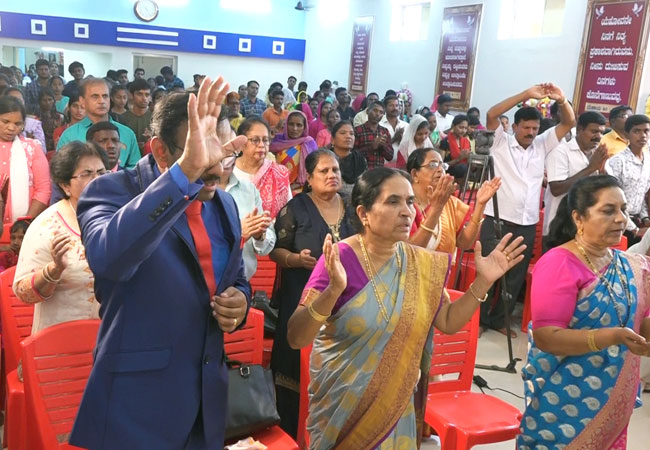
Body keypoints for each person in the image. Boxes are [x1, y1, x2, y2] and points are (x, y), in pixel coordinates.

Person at [286, 167, 526, 448]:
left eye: (410, 202)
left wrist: (483, 282)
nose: (407, 211)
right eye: (393, 202)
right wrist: (333, 291)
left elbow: (448, 322)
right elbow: (296, 337)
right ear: (364, 213)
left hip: (396, 412)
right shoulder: (341, 259)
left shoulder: (421, 263)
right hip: (342, 410)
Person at [70, 77, 250, 449]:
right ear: (163, 152)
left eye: (222, 155)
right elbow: (109, 258)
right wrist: (184, 176)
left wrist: (241, 302)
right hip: (137, 407)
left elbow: (234, 278)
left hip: (207, 402)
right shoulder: (110, 191)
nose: (216, 169)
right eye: (201, 153)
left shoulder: (224, 204)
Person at [520, 175, 650, 449]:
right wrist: (610, 337)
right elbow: (547, 337)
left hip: (613, 404)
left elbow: (642, 324)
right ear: (579, 218)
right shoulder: (558, 264)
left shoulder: (629, 266)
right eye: (608, 210)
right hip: (563, 404)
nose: (621, 219)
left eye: (624, 210)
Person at [270, 149, 356, 437]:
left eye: (336, 170)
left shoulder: (351, 207)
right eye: (324, 171)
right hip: (302, 296)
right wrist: (295, 259)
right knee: (297, 363)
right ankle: (292, 431)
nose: (332, 176)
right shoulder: (295, 208)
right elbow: (276, 250)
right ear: (309, 177)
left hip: (345, 302)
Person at [479, 83, 575, 336]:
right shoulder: (500, 142)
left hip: (527, 222)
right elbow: (491, 114)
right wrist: (524, 95)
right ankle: (478, 320)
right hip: (497, 218)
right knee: (488, 273)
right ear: (515, 126)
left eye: (535, 128)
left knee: (514, 277)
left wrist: (562, 100)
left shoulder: (542, 145)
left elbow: (569, 123)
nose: (531, 133)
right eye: (526, 128)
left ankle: (500, 320)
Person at [14, 141, 107, 334]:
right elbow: (23, 293)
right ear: (65, 185)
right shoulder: (46, 225)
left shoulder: (119, 216)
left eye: (101, 172)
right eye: (87, 174)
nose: (97, 179)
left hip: (109, 339)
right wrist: (53, 270)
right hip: (59, 344)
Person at [408, 147, 500, 256]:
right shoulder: (405, 205)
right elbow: (409, 253)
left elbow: (465, 243)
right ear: (414, 174)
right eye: (433, 165)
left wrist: (480, 205)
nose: (440, 169)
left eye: (442, 165)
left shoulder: (449, 202)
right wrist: (437, 208)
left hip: (443, 272)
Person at [542, 111, 608, 246]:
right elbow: (556, 189)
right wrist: (590, 168)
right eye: (594, 131)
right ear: (579, 129)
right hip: (559, 227)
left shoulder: (597, 153)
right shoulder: (560, 151)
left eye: (601, 132)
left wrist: (601, 170)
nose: (598, 136)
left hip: (586, 228)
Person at [57, 77, 140, 169]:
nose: (101, 101)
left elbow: (136, 169)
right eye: (95, 96)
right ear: (82, 101)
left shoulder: (127, 133)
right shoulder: (69, 135)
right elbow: (61, 171)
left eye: (105, 96)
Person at [217, 154, 275, 280]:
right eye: (225, 150)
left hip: (241, 282)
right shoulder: (195, 189)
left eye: (232, 153)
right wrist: (238, 233)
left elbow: (265, 246)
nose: (227, 157)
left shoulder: (248, 189)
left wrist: (260, 235)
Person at [0, 96, 51, 224]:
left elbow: (43, 189)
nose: (11, 128)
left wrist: (25, 223)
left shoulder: (32, 148)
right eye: (5, 122)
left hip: (23, 230)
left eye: (17, 124)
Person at [605, 114, 650, 245]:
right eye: (637, 131)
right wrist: (634, 229)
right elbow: (613, 199)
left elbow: (641, 193)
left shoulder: (648, 160)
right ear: (627, 134)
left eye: (646, 131)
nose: (643, 135)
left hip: (638, 222)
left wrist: (645, 217)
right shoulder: (617, 161)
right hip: (617, 223)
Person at [233, 116, 291, 218]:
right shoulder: (230, 172)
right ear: (242, 143)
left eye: (265, 140)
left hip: (272, 231)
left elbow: (288, 209)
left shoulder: (279, 173)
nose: (261, 145)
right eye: (255, 140)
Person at [270, 110, 318, 190]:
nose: (295, 128)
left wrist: (288, 189)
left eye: (299, 125)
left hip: (302, 190)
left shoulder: (309, 143)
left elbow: (313, 170)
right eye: (291, 124)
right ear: (286, 125)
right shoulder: (276, 141)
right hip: (275, 188)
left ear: (304, 127)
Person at [329, 120, 366, 196]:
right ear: (332, 140)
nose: (348, 136)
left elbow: (365, 188)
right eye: (343, 133)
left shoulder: (360, 160)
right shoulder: (325, 159)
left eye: (352, 134)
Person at [354, 101, 393, 170]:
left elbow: (390, 156)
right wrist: (372, 147)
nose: (378, 114)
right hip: (362, 172)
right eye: (375, 110)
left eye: (381, 112)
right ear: (368, 111)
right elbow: (353, 155)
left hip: (379, 173)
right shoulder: (357, 130)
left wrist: (383, 146)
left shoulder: (385, 131)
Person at [118, 78, 152, 154]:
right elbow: (118, 144)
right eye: (140, 94)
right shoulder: (122, 119)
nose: (144, 98)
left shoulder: (156, 118)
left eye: (147, 95)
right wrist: (134, 145)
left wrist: (151, 140)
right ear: (131, 95)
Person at [439, 114, 471, 181]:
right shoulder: (445, 142)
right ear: (453, 126)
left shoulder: (466, 141)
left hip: (464, 171)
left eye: (465, 128)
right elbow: (441, 166)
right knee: (462, 168)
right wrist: (457, 159)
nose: (463, 131)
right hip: (449, 172)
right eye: (461, 127)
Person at [380, 95, 409, 165]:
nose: (395, 108)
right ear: (385, 108)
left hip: (402, 164)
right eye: (391, 105)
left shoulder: (406, 125)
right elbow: (378, 146)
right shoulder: (379, 125)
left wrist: (402, 141)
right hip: (384, 164)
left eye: (396, 105)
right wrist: (394, 138)